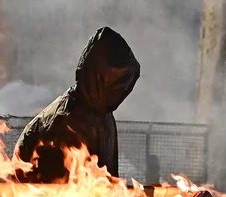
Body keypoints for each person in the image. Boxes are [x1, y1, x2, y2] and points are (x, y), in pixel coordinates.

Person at [13, 26, 140, 183]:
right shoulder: (68, 124)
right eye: (118, 83)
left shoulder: (102, 115)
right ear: (99, 79)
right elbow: (59, 195)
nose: (123, 90)